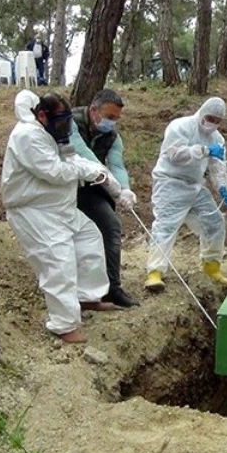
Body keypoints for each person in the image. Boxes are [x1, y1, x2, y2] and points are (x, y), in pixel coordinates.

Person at [1, 89, 120, 343]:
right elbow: (54, 172)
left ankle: (87, 297)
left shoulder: (54, 132)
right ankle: (63, 325)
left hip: (60, 207)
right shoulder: (28, 136)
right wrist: (90, 174)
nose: (65, 126)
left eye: (67, 121)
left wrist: (104, 174)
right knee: (58, 262)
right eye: (61, 121)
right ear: (42, 116)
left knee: (89, 239)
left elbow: (72, 157)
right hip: (34, 210)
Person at [144, 97, 227, 292]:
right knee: (166, 225)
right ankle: (154, 272)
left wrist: (223, 187)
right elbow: (175, 155)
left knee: (215, 222)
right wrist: (203, 151)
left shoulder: (218, 139)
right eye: (210, 118)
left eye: (218, 120)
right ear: (202, 113)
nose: (213, 123)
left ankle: (212, 267)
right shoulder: (180, 126)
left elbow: (217, 168)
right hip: (170, 182)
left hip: (195, 186)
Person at [70, 88, 139, 308]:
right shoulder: (70, 122)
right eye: (109, 117)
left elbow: (116, 164)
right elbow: (82, 152)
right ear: (93, 110)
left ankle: (112, 289)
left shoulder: (112, 137)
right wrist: (110, 181)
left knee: (110, 226)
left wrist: (125, 189)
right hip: (62, 184)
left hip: (91, 187)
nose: (112, 123)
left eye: (116, 119)